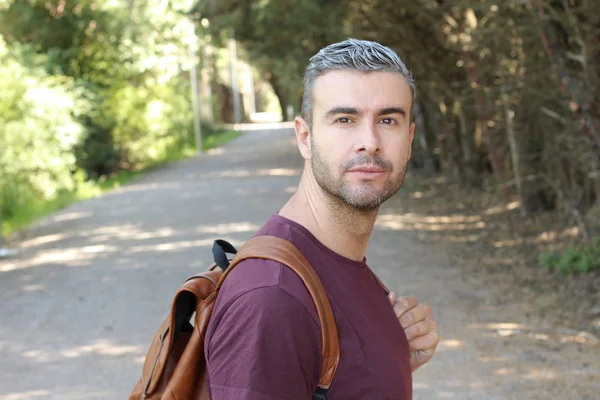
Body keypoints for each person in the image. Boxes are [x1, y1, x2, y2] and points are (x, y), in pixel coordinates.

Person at [204, 38, 439, 399]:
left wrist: (386, 361)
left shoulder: (338, 261)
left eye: (387, 120)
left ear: (408, 140)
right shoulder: (272, 297)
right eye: (345, 119)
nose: (370, 141)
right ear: (304, 137)